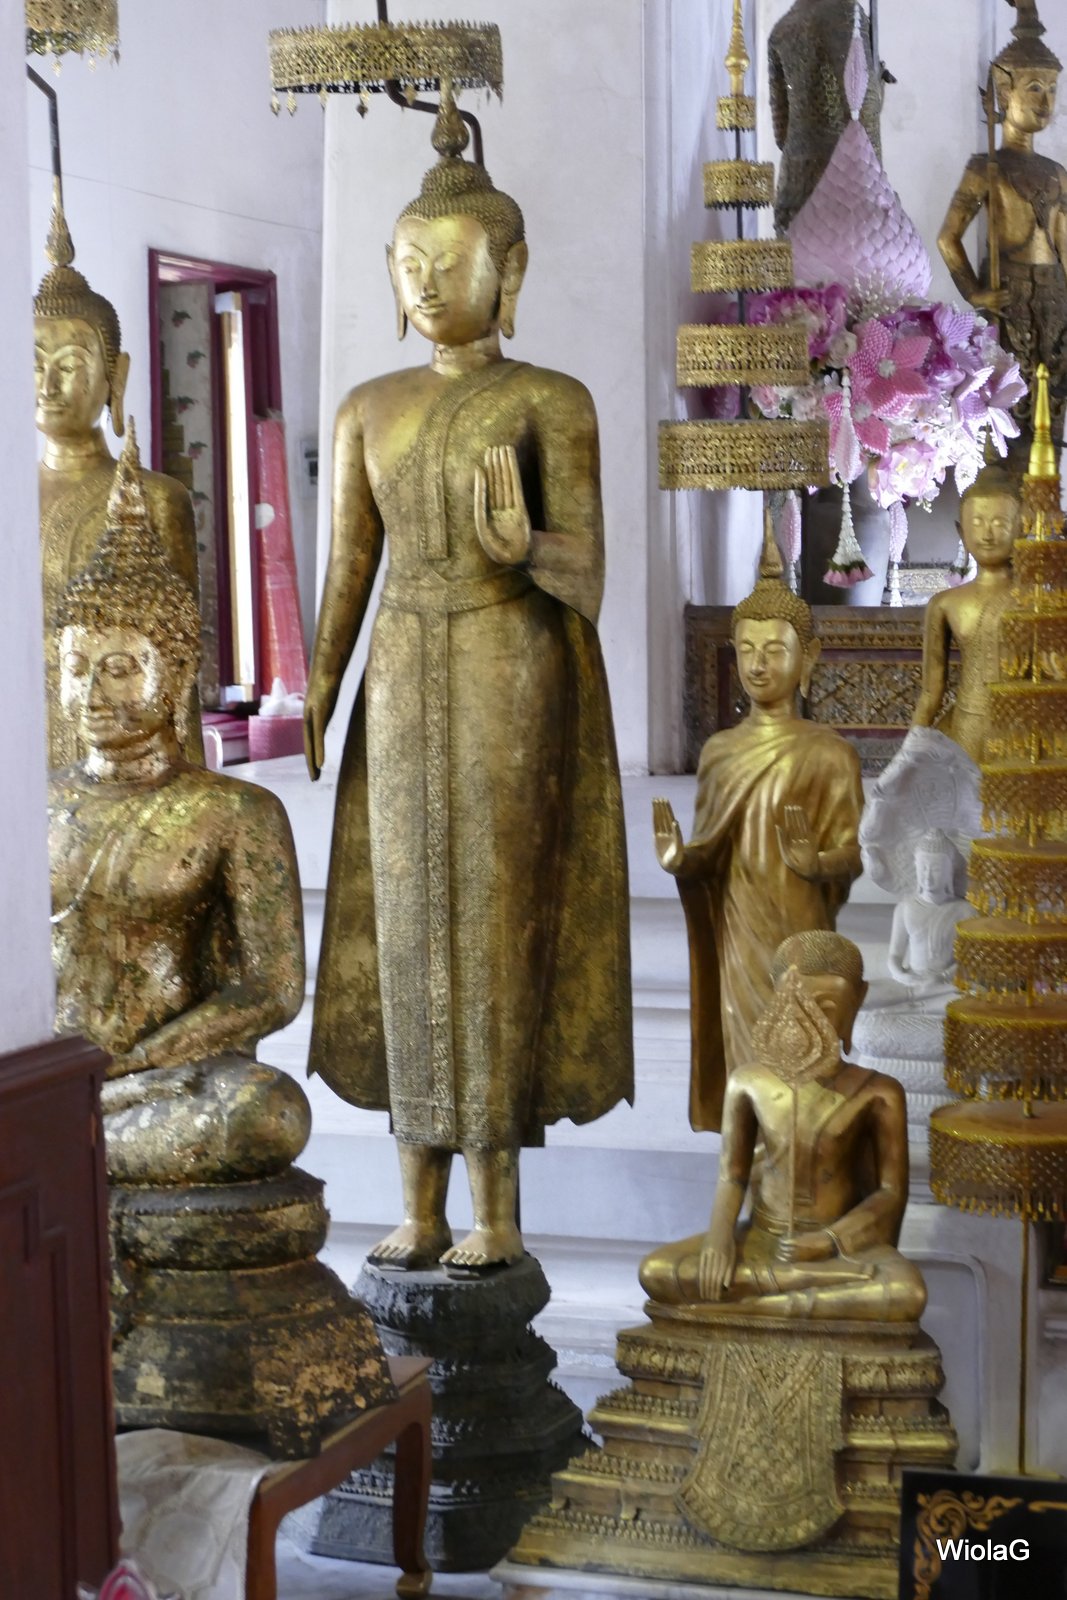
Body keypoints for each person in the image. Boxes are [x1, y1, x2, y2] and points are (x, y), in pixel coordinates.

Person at [303, 95, 633, 1271]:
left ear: (509, 270)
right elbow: (348, 565)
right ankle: (418, 1201)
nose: (429, 282)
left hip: (511, 667)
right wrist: (319, 682)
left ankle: (494, 1208)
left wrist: (525, 547)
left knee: (495, 925)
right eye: (411, 264)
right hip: (401, 673)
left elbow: (588, 576)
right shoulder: (368, 407)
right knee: (406, 923)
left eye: (451, 261)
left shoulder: (552, 400)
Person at [48, 429, 305, 1183]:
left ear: (180, 669)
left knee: (267, 1113)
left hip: (164, 1079)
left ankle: (67, 1146)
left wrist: (140, 1059)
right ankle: (68, 1137)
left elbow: (271, 988)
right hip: (49, 1074)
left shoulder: (236, 812)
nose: (93, 692)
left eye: (121, 667)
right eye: (76, 666)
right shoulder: (37, 804)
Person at [652, 526, 863, 1131]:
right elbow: (709, 850)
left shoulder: (829, 753)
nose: (759, 664)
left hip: (800, 928)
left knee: (801, 1053)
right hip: (738, 928)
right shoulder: (719, 751)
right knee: (748, 1054)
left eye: (774, 649)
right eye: (746, 650)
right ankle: (752, 1165)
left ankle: (803, 1167)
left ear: (808, 656)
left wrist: (816, 862)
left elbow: (852, 854)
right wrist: (680, 859)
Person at [639, 931, 926, 1322]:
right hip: (763, 1238)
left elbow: (890, 1193)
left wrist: (828, 1241)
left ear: (857, 1001)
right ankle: (800, 1292)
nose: (811, 1021)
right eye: (799, 1005)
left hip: (838, 1246)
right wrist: (719, 1240)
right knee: (656, 1271)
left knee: (907, 1293)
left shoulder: (878, 1092)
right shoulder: (748, 1082)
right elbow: (732, 1176)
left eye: (826, 1008)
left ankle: (759, 1304)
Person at [34, 189, 201, 766]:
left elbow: (181, 661)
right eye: (33, 364)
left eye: (70, 365)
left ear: (115, 376)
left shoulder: (157, 498)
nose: (47, 385)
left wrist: (189, 779)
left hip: (125, 754)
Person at [938, 0, 1067, 454]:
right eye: (1034, 88)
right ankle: (1004, 482)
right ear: (1003, 89)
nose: (1045, 102)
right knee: (1005, 401)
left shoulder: (1057, 174)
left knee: (1052, 402)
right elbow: (948, 238)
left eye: (1051, 89)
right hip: (1007, 295)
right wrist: (975, 292)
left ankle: (1047, 489)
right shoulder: (986, 168)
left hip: (1054, 299)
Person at [912, 458, 1021, 765]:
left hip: (1022, 727)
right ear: (961, 531)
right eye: (977, 523)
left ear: (1022, 528)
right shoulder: (945, 604)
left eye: (999, 523)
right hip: (967, 724)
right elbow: (931, 692)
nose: (987, 534)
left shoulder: (1036, 602)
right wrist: (911, 751)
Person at [886, 830, 970, 1003]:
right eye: (923, 868)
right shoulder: (904, 908)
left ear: (949, 871)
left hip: (948, 985)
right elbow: (894, 955)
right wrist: (901, 974)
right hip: (913, 982)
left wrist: (942, 977)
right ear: (916, 868)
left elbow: (969, 960)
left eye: (936, 869)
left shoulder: (965, 910)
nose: (928, 876)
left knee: (974, 999)